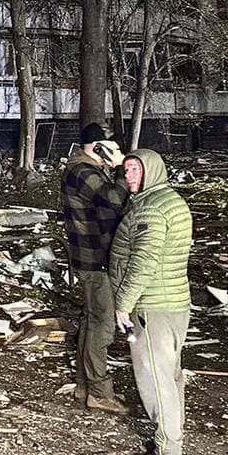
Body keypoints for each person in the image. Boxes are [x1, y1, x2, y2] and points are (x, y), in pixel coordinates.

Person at [109, 148, 194, 455]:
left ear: (152, 172)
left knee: (156, 380)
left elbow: (144, 262)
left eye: (135, 170)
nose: (128, 176)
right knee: (170, 377)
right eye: (126, 170)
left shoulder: (152, 210)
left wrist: (124, 303)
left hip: (153, 306)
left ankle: (169, 454)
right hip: (172, 302)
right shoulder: (168, 200)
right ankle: (167, 439)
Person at [60, 122, 129, 414]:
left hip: (91, 257)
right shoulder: (82, 171)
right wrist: (121, 168)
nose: (116, 152)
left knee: (91, 320)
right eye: (111, 147)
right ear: (99, 147)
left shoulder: (86, 168)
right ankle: (99, 392)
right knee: (102, 324)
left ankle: (84, 385)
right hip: (94, 259)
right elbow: (113, 200)